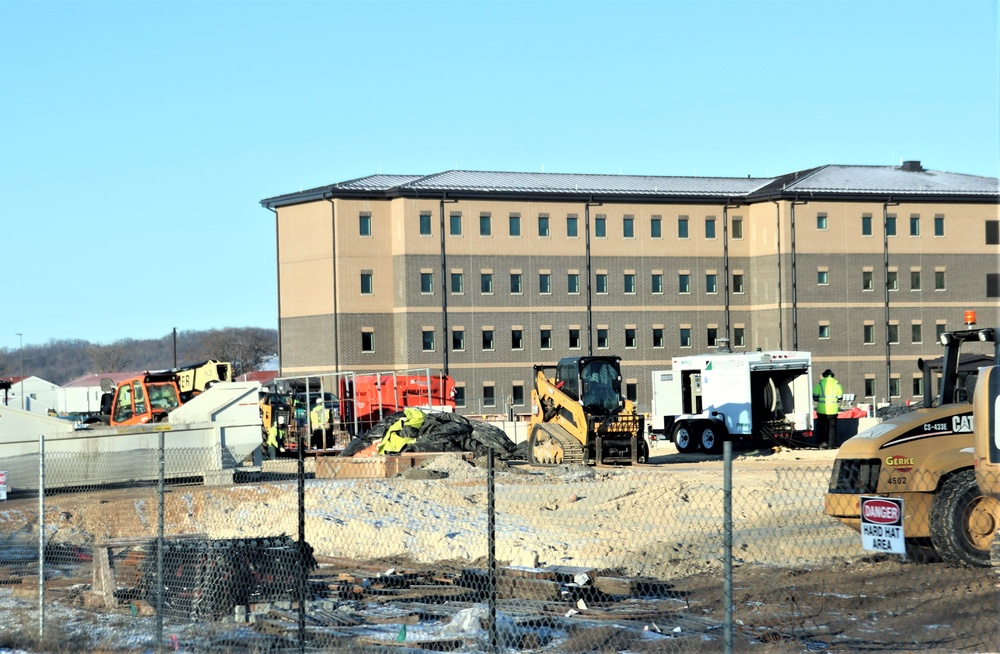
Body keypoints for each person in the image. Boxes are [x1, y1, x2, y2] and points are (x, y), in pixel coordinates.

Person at [813, 369, 844, 449]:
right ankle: (831, 445)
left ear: (824, 376)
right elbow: (840, 398)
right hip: (833, 411)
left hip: (821, 411)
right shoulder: (837, 385)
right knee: (832, 428)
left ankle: (822, 444)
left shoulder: (819, 385)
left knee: (821, 428)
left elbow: (815, 397)